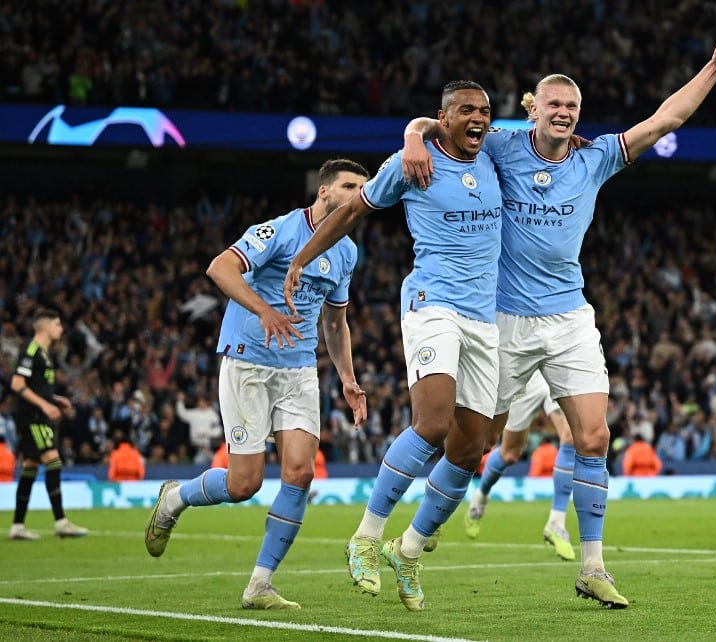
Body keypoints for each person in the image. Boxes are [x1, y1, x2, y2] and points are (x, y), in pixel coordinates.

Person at [402, 35, 716, 610]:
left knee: (594, 436)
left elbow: (665, 119)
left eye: (572, 107)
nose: (563, 113)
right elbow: (443, 122)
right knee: (472, 447)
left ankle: (592, 565)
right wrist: (415, 135)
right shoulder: (502, 146)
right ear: (531, 107)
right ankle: (412, 542)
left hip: (570, 318)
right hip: (504, 320)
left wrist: (713, 67)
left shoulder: (596, 157)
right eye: (553, 104)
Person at [283, 80, 503, 613]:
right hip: (433, 303)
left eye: (485, 111)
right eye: (465, 111)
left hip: (484, 315)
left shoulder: (496, 153)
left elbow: (543, 134)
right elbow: (354, 210)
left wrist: (415, 129)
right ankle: (365, 534)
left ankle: (406, 549)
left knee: (472, 447)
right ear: (443, 118)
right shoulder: (411, 165)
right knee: (432, 422)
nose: (477, 118)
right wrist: (301, 258)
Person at [144, 158, 370, 610]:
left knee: (301, 473)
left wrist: (347, 377)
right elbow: (220, 268)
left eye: (363, 188)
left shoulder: (346, 250)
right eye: (348, 186)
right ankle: (175, 497)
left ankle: (260, 585)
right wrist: (263, 310)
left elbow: (335, 322)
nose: (357, 195)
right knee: (244, 484)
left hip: (300, 370)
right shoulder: (280, 231)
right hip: (248, 363)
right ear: (323, 192)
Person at [463, 371, 578, 561]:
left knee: (569, 436)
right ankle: (481, 496)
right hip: (526, 372)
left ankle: (556, 522)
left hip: (555, 365)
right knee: (509, 454)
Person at [7, 308, 88, 541]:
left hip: (34, 416)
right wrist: (44, 406)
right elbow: (17, 383)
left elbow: (34, 386)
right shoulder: (31, 350)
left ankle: (18, 525)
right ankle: (61, 521)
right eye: (58, 324)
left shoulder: (43, 353)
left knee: (31, 467)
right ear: (45, 327)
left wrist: (54, 399)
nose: (61, 329)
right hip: (33, 418)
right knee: (53, 460)